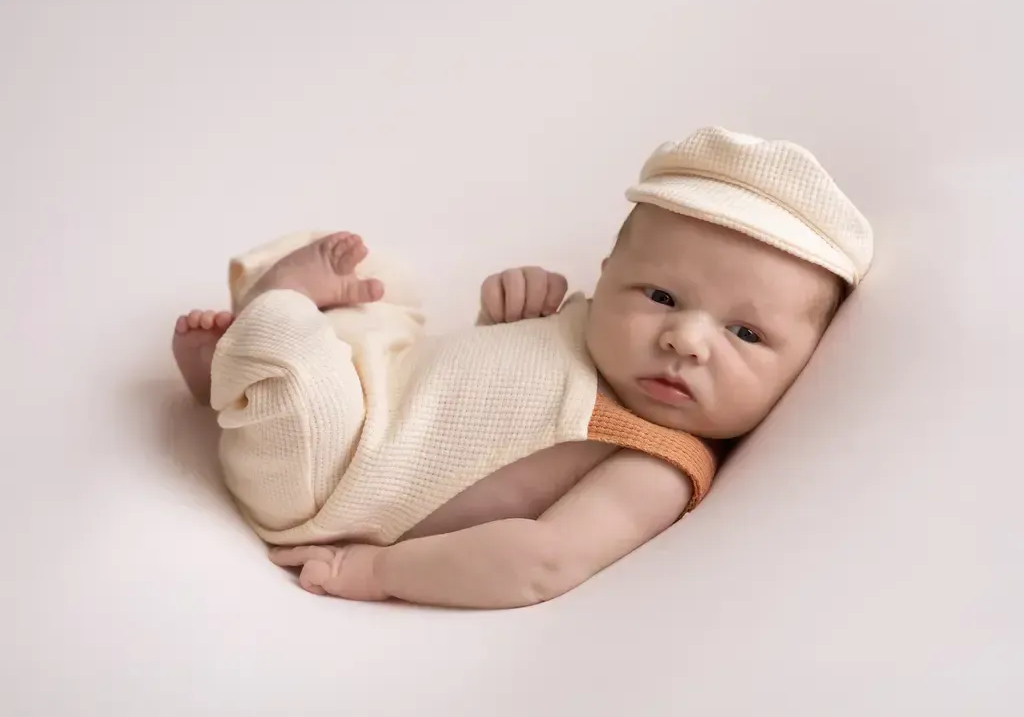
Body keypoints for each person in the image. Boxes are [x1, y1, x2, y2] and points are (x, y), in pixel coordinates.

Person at [171, 126, 873, 608]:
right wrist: (507, 317)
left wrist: (378, 569)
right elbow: (478, 416)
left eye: (745, 332)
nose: (686, 338)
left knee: (297, 359)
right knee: (383, 280)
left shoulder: (656, 459)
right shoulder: (584, 326)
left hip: (336, 474)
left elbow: (541, 560)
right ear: (607, 274)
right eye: (660, 295)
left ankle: (266, 319)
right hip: (387, 386)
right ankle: (236, 371)